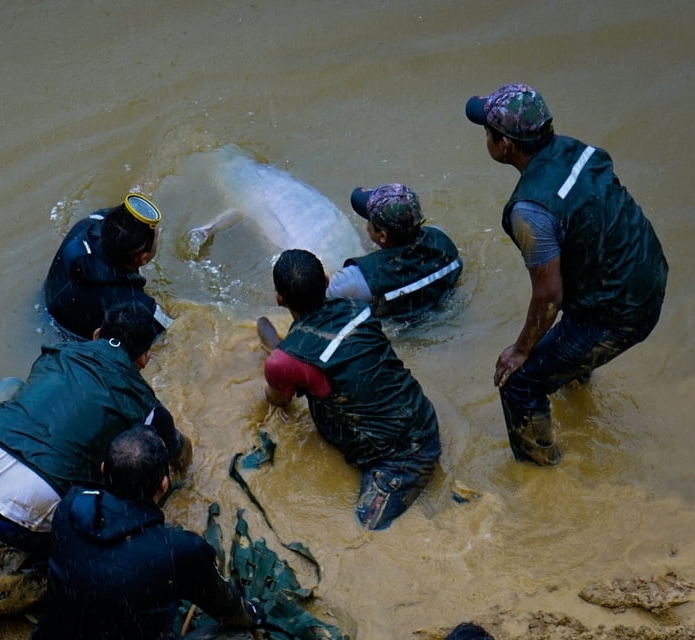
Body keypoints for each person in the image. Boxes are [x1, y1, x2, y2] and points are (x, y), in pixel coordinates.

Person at [465, 83, 668, 465]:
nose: (486, 138)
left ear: (505, 144)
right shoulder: (580, 152)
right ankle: (577, 382)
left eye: (487, 132)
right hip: (650, 274)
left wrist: (520, 349)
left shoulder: (530, 210)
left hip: (622, 314)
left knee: (519, 384)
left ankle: (541, 475)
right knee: (567, 337)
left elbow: (549, 298)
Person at [0, 304, 191, 559]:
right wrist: (187, 481)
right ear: (145, 358)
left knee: (10, 385)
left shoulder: (56, 352)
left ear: (97, 334)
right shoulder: (147, 406)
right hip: (29, 527)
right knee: (129, 464)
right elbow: (178, 452)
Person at [257, 249, 441, 530]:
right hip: (423, 416)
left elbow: (279, 401)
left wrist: (276, 366)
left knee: (366, 529)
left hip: (401, 460)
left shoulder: (284, 361)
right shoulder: (357, 309)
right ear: (328, 280)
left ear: (279, 298)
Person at [32, 425, 263, 640]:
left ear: (103, 469)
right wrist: (254, 613)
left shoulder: (70, 505)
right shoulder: (181, 551)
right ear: (164, 485)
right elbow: (229, 611)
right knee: (241, 635)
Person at [43, 192, 173, 340]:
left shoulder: (85, 227)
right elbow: (174, 330)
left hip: (47, 306)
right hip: (76, 341)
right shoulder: (138, 306)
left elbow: (115, 218)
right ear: (142, 258)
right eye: (157, 235)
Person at [327, 182, 462, 322]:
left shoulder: (353, 280)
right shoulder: (442, 239)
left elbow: (316, 304)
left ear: (383, 236)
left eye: (369, 219)